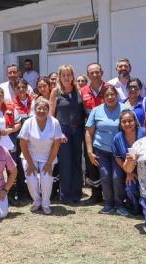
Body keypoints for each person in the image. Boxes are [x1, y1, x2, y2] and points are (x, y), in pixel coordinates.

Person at [85, 85, 130, 215]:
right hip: (101, 150)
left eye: (112, 95)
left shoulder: (126, 109)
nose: (110, 97)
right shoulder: (96, 110)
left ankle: (120, 205)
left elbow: (133, 129)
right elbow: (89, 132)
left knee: (117, 177)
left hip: (119, 151)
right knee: (105, 176)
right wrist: (89, 152)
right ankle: (108, 204)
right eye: (107, 95)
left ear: (117, 96)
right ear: (103, 98)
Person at [19, 97, 63, 214]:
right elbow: (23, 144)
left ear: (48, 110)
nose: (41, 111)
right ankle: (37, 201)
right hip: (30, 156)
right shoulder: (28, 122)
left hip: (48, 156)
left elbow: (56, 145)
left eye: (44, 109)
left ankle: (45, 204)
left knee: (46, 179)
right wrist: (30, 163)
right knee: (31, 179)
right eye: (39, 108)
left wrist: (49, 163)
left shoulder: (54, 122)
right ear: (34, 109)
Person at [49, 64, 86, 203]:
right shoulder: (55, 92)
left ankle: (76, 193)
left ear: (72, 76)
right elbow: (51, 116)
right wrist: (57, 133)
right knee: (65, 163)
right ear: (59, 77)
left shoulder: (79, 91)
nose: (66, 77)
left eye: (68, 75)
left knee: (77, 161)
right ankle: (65, 195)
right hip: (63, 131)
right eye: (63, 75)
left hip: (77, 130)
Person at [80, 62, 107, 203]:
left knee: (107, 161)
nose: (95, 74)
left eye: (97, 72)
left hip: (106, 132)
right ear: (88, 74)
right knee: (92, 162)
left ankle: (110, 193)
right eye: (92, 72)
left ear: (102, 72)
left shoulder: (109, 88)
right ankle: (96, 194)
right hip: (89, 131)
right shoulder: (83, 90)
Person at [113, 109, 146, 215]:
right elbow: (117, 157)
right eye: (124, 121)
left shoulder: (144, 132)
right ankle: (135, 208)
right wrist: (128, 172)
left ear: (135, 121)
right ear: (120, 123)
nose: (127, 124)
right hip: (129, 169)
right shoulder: (118, 137)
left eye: (130, 121)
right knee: (130, 187)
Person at [10, 79, 33, 201]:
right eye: (18, 88)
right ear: (15, 90)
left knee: (32, 164)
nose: (21, 90)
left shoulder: (34, 101)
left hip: (34, 140)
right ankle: (21, 192)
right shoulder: (11, 104)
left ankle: (33, 191)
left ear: (27, 88)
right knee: (20, 165)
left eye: (23, 87)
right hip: (19, 140)